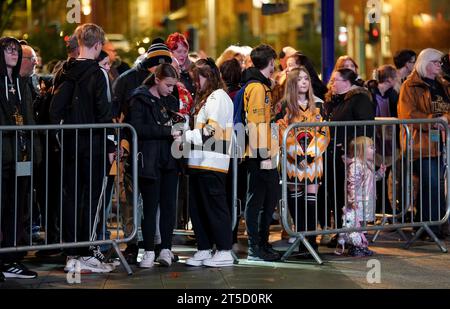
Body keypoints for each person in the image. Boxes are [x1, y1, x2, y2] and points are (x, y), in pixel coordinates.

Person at [49, 23, 116, 273]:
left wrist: (60, 139)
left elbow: (54, 111)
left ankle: (72, 255)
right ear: (98, 46)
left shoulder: (63, 71)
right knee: (92, 202)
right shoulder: (98, 74)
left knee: (71, 199)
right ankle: (87, 254)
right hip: (94, 147)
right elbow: (104, 112)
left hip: (69, 147)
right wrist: (110, 145)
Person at [182, 58, 234, 267]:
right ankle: (204, 248)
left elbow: (212, 132)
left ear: (209, 77)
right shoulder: (208, 98)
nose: (195, 83)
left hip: (212, 161)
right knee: (198, 208)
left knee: (214, 207)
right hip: (199, 161)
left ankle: (224, 249)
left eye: (198, 78)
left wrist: (186, 136)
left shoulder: (218, 97)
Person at [127, 63, 180, 268]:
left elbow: (174, 125)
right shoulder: (139, 98)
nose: (171, 89)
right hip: (148, 160)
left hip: (169, 159)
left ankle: (165, 248)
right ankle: (148, 250)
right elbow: (138, 128)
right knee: (150, 207)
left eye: (173, 85)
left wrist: (179, 127)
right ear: (157, 80)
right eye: (168, 85)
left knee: (168, 207)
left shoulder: (171, 100)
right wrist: (166, 132)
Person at [276, 67, 330, 255]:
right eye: (300, 79)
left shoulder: (319, 105)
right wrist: (298, 155)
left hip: (313, 162)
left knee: (311, 201)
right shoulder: (283, 106)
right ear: (292, 83)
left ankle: (311, 243)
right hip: (293, 162)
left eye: (306, 78)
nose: (304, 82)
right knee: (296, 202)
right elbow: (283, 131)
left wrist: (309, 155)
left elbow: (324, 131)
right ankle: (300, 242)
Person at [398, 48, 450, 238]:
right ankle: (430, 227)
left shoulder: (442, 85)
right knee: (432, 183)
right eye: (436, 62)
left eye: (440, 63)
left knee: (437, 184)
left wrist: (445, 118)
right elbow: (407, 114)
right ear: (425, 63)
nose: (439, 66)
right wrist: (433, 121)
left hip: (441, 142)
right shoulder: (409, 86)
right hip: (421, 144)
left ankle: (432, 226)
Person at [0, 36, 40, 279]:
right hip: (3, 153)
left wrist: (33, 151)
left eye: (16, 50)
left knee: (15, 208)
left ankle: (10, 259)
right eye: (9, 50)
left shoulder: (21, 82)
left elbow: (28, 118)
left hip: (20, 154)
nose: (14, 54)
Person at [323, 68, 374, 244]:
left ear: (346, 82)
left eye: (335, 80)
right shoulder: (334, 100)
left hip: (350, 156)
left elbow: (365, 128)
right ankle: (340, 231)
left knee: (350, 196)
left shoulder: (360, 99)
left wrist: (348, 148)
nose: (332, 83)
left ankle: (354, 232)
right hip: (334, 154)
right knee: (336, 194)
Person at [242, 44, 281, 261]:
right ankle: (255, 246)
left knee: (266, 199)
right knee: (258, 200)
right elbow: (256, 123)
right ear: (270, 63)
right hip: (259, 153)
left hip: (261, 151)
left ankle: (262, 244)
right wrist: (265, 154)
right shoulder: (257, 88)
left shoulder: (260, 86)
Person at [337, 136, 385, 256]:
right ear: (361, 150)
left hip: (366, 201)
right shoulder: (356, 165)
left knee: (362, 225)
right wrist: (352, 200)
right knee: (356, 225)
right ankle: (355, 246)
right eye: (371, 147)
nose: (374, 149)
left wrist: (380, 173)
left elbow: (372, 179)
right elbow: (351, 184)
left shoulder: (368, 165)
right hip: (358, 201)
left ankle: (361, 245)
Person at [166, 32, 196, 99]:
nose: (183, 55)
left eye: (185, 51)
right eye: (179, 51)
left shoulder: (195, 68)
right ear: (170, 52)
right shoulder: (165, 71)